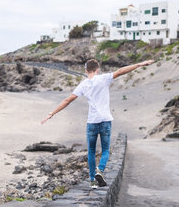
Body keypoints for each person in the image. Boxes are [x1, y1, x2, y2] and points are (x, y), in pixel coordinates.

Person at [41, 58, 154, 188]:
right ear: (97, 69)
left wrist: (52, 113)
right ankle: (100, 171)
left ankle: (93, 181)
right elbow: (121, 71)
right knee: (105, 150)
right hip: (105, 120)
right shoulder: (103, 78)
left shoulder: (83, 85)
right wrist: (139, 64)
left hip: (92, 122)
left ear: (85, 70)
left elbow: (68, 100)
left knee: (91, 151)